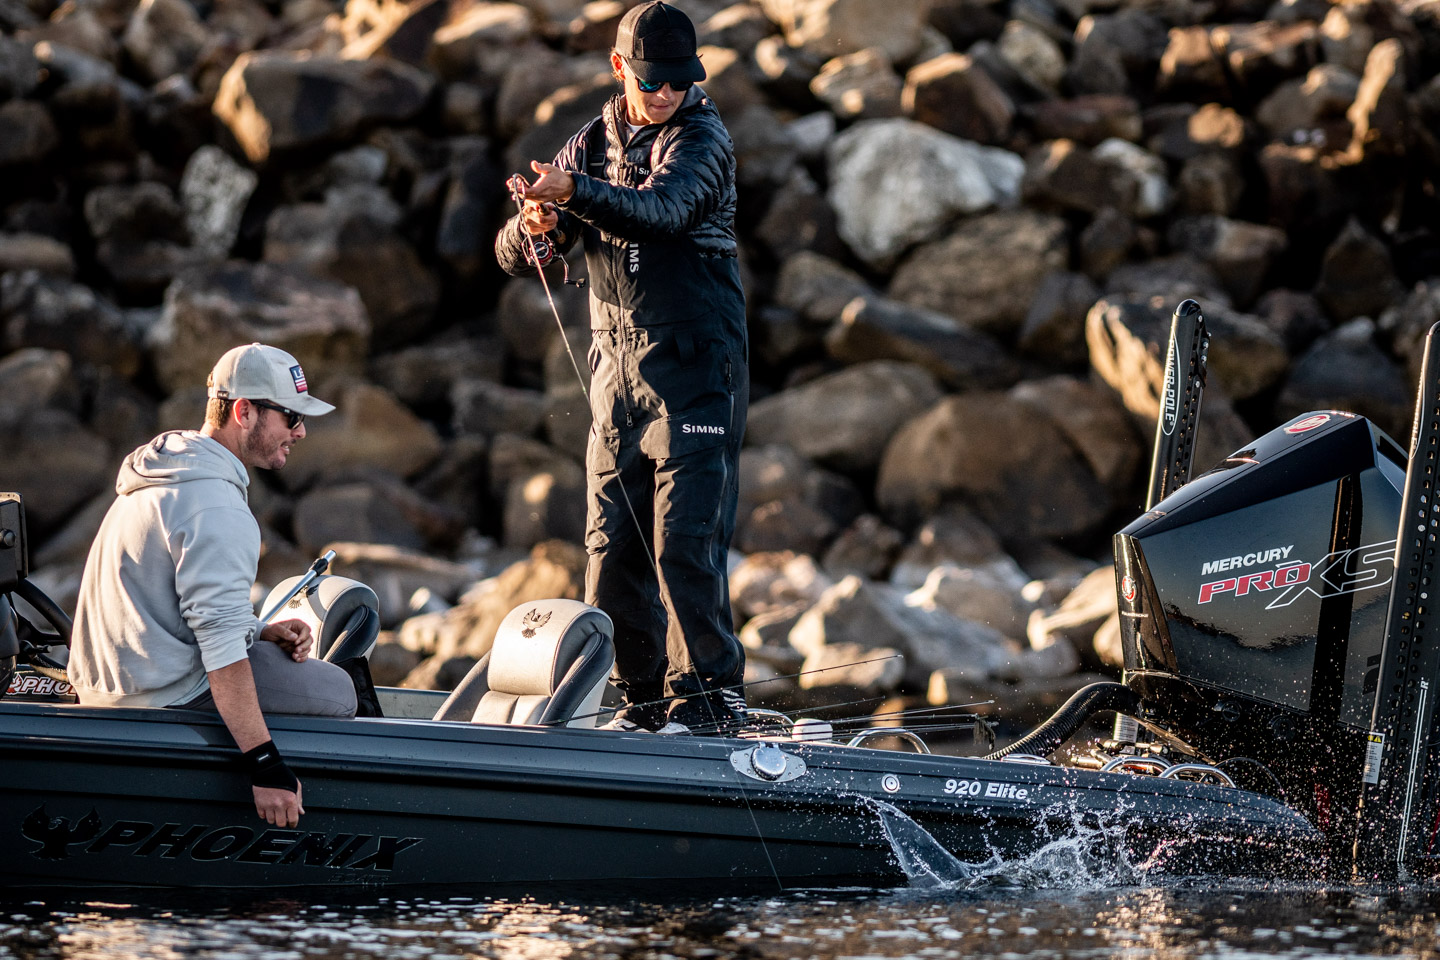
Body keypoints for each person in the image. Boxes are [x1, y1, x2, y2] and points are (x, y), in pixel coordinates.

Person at [495, 1, 749, 734]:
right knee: (609, 555)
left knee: (684, 547)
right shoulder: (590, 142)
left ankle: (709, 704)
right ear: (618, 69)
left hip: (697, 370)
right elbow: (512, 254)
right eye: (651, 80)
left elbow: (662, 212)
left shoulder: (704, 139)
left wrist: (573, 194)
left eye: (679, 80)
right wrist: (538, 227)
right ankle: (641, 707)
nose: (666, 93)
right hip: (617, 375)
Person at [70, 343, 357, 827]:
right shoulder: (216, 506)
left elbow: (173, 603)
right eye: (291, 417)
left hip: (106, 687)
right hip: (163, 696)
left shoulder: (162, 476)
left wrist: (257, 629)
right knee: (340, 691)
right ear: (244, 412)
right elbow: (222, 653)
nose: (301, 431)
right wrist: (265, 766)